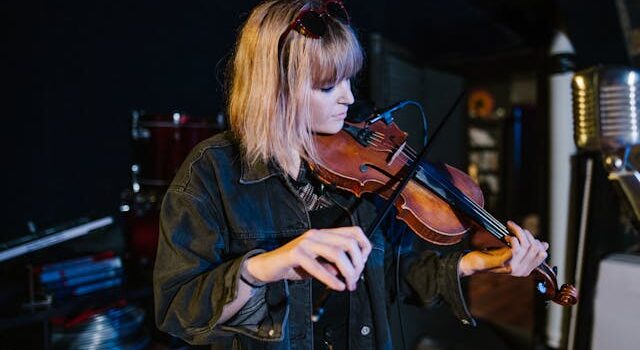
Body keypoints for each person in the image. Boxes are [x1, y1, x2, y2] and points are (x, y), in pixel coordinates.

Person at [153, 1, 549, 349]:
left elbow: (393, 274)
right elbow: (177, 310)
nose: (349, 98)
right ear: (275, 90)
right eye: (328, 86)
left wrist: (474, 264)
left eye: (348, 79)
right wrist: (267, 266)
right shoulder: (212, 172)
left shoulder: (361, 162)